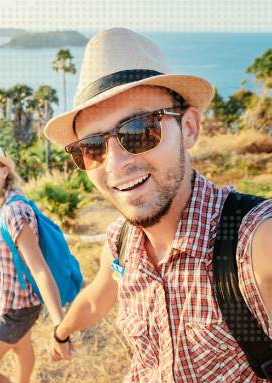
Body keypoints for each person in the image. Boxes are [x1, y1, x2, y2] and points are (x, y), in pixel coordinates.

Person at [44, 28, 272, 382]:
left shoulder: (252, 244)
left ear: (190, 128)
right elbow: (94, 301)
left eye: (138, 130)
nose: (114, 163)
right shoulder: (121, 243)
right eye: (92, 147)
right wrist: (61, 331)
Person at [0, 139, 72, 383]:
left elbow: (39, 268)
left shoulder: (13, 210)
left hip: (16, 311)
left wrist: (61, 329)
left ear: (4, 170)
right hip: (17, 303)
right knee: (21, 348)